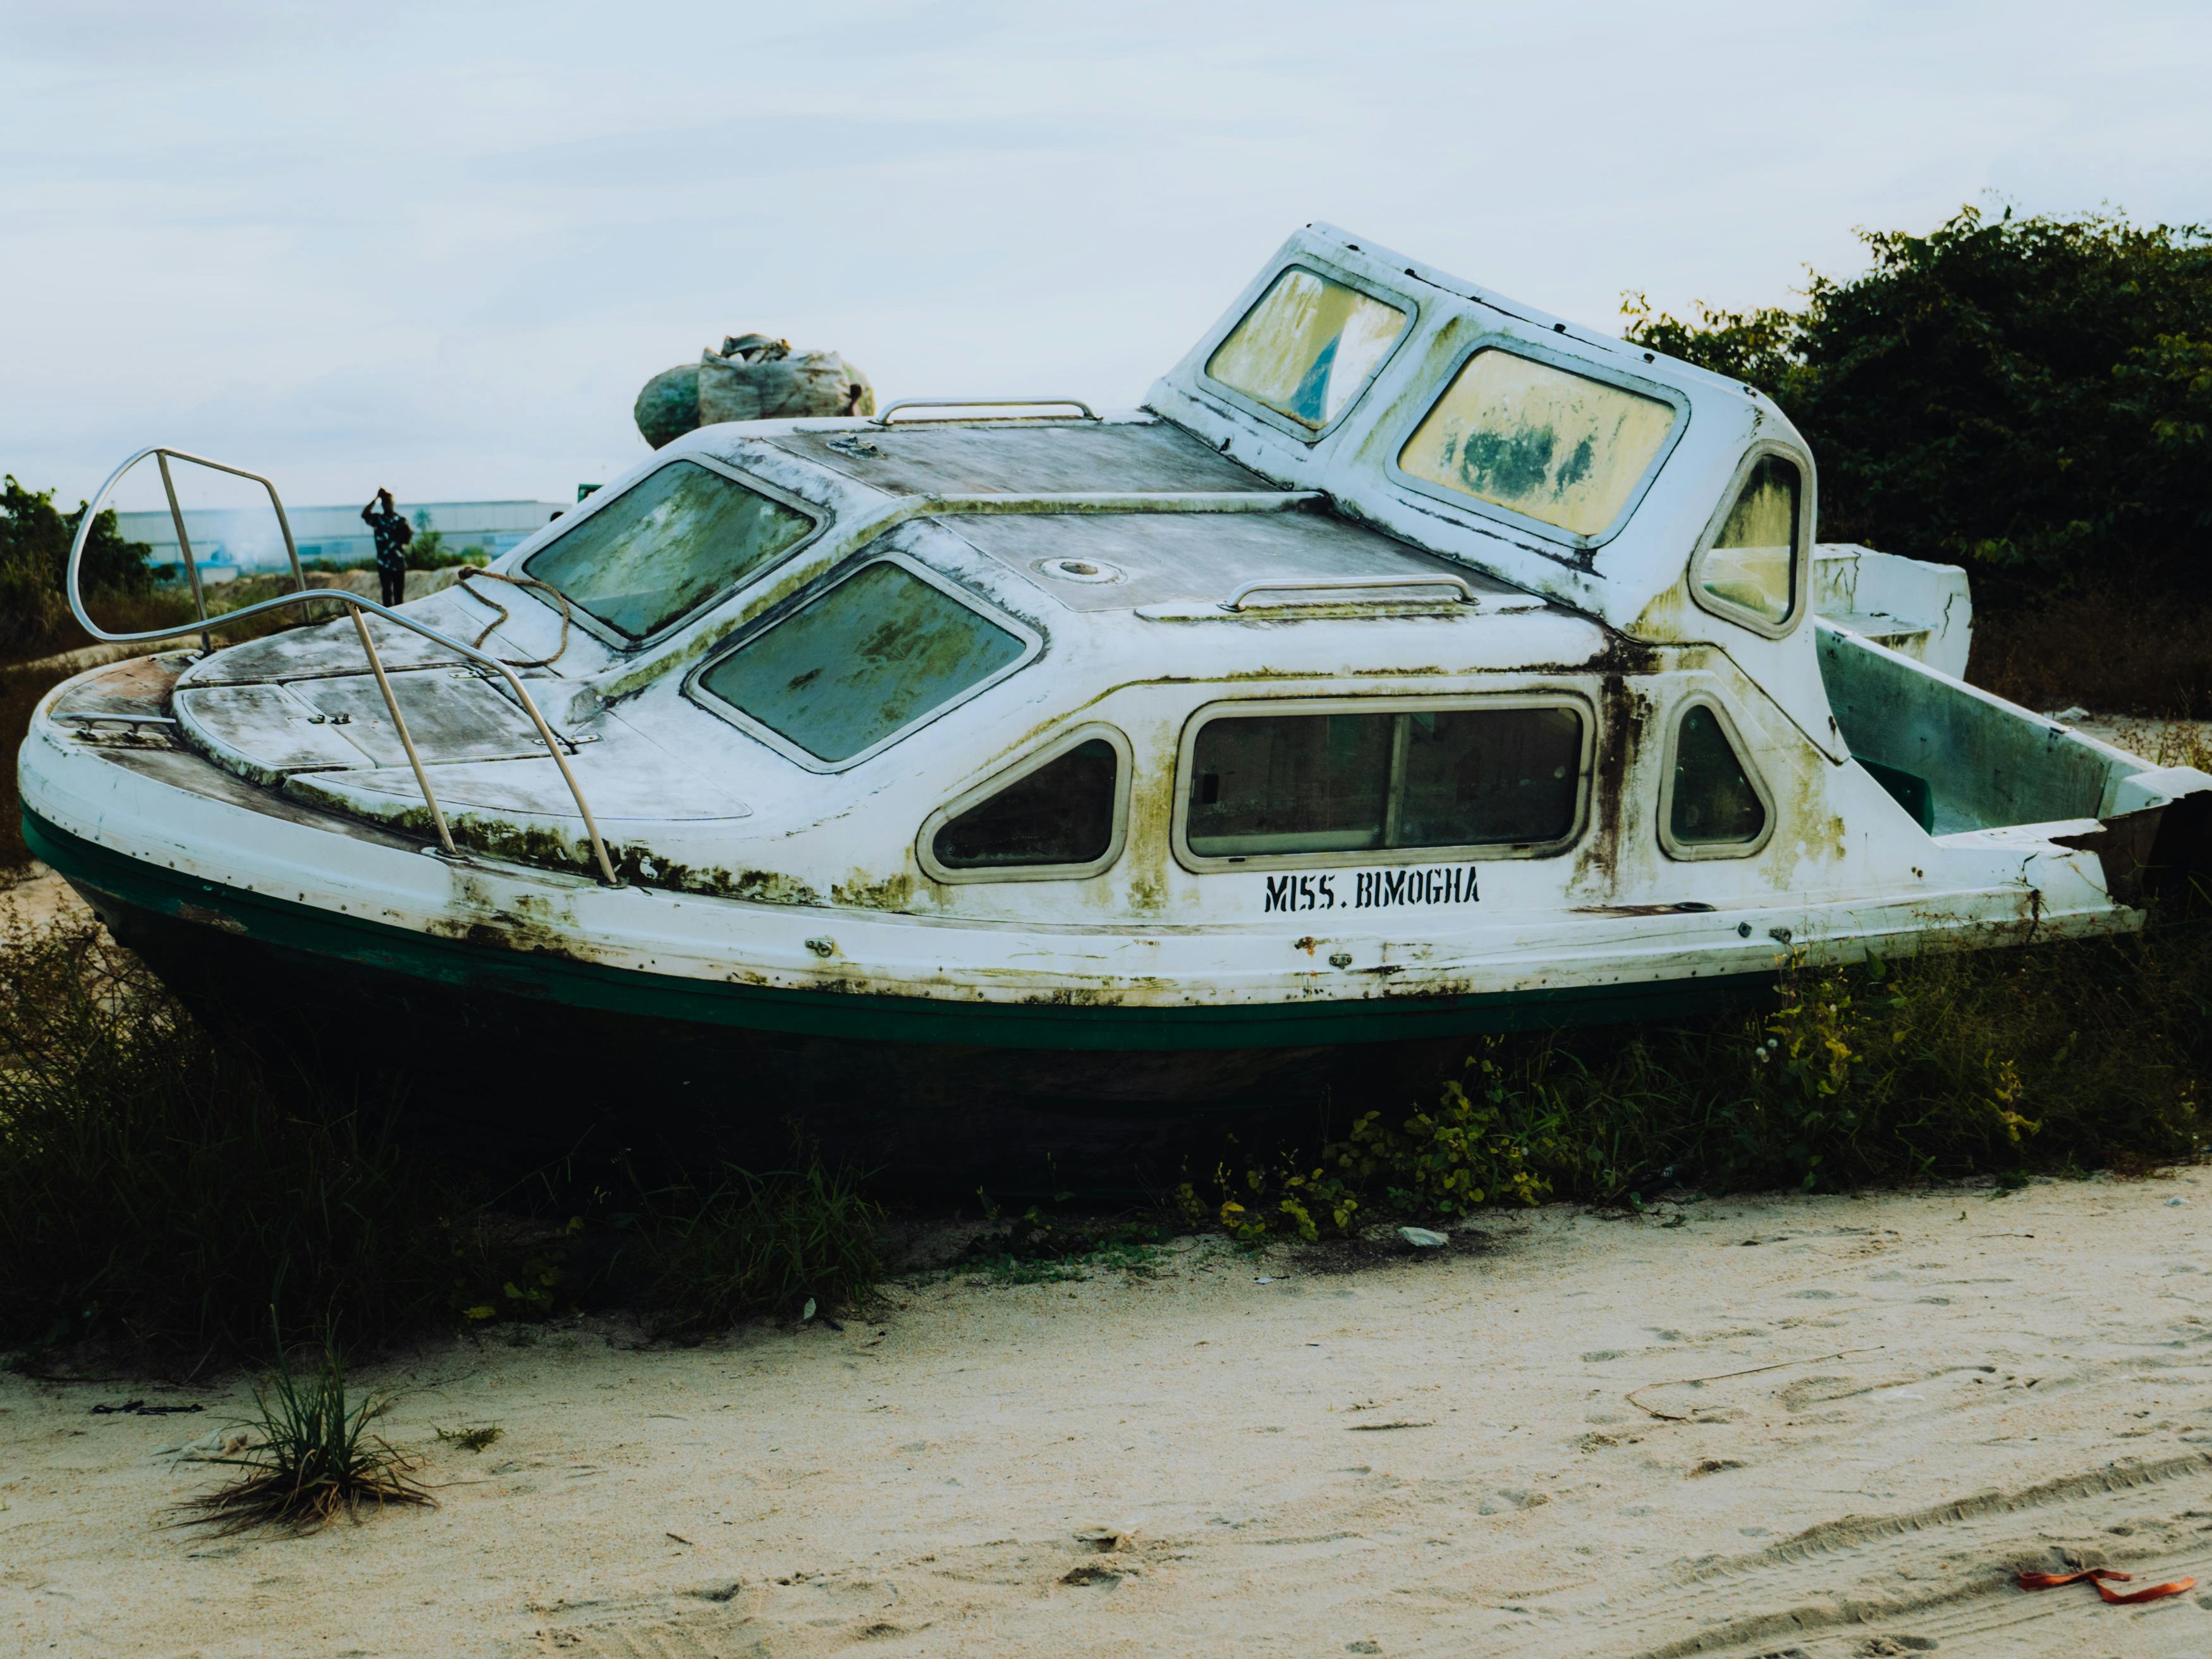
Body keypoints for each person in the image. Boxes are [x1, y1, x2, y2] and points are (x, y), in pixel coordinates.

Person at [360, 487, 413, 607]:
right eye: (385, 503)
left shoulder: (401, 521)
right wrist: (376, 499)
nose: (387, 505)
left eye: (389, 502)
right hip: (384, 563)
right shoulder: (378, 520)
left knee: (399, 594)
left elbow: (407, 540)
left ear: (393, 503)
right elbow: (364, 514)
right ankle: (388, 618)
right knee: (387, 593)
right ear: (382, 505)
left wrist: (405, 535)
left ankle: (400, 619)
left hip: (398, 562)